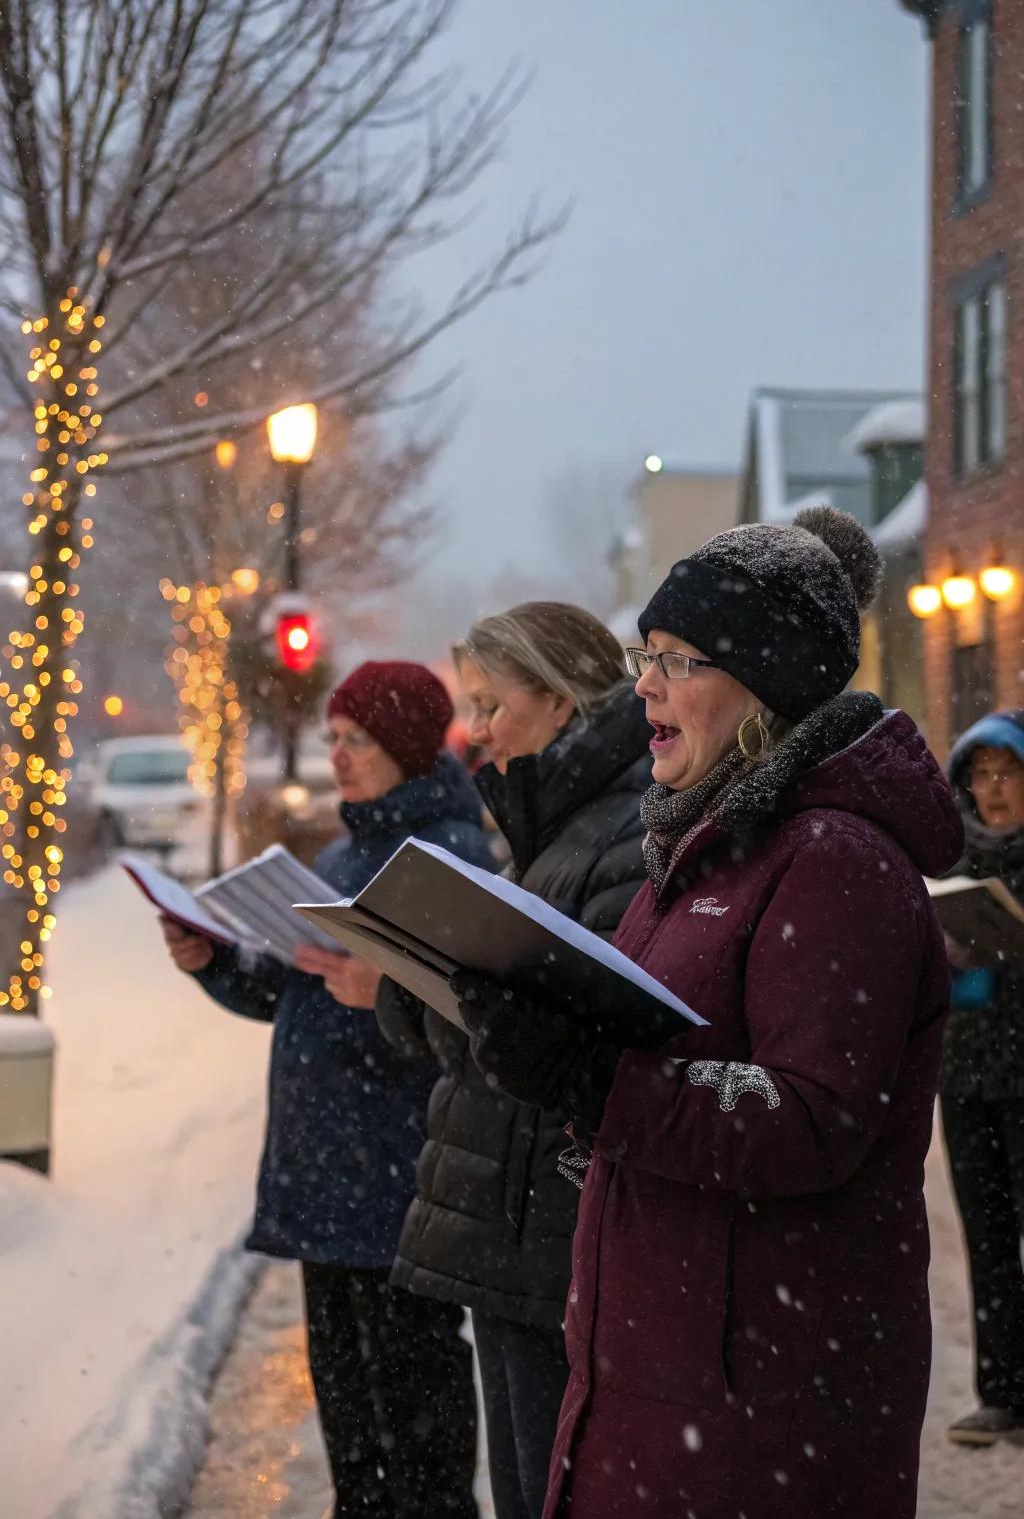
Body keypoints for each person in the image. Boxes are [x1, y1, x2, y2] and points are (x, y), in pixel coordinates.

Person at [452, 509, 965, 1519]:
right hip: (663, 1375)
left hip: (760, 1406)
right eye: (646, 657)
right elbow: (661, 1052)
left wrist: (588, 1079)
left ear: (763, 682)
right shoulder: (700, 852)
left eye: (677, 660)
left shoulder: (834, 860)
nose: (643, 684)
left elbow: (807, 1121)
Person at [160, 660, 494, 1519]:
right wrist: (219, 962)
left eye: (360, 740)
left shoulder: (444, 859)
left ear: (409, 747)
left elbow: (469, 1030)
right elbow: (294, 991)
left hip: (397, 1184)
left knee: (413, 1424)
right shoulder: (349, 850)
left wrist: (376, 995)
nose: (338, 755)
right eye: (334, 737)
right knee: (350, 1423)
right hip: (329, 1182)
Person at [371, 603, 651, 1519]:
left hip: (551, 1228)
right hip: (514, 1225)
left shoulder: (618, 835)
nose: (476, 729)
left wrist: (454, 998)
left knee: (552, 1490)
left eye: (491, 704)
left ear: (563, 704)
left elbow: (568, 1047)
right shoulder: (544, 826)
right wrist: (413, 978)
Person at [940, 709, 1024, 1446]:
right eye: (980, 775)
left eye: (1007, 772)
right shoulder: (956, 860)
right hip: (965, 1074)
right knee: (988, 1236)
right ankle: (1001, 1392)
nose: (993, 790)